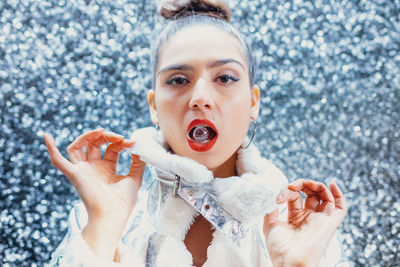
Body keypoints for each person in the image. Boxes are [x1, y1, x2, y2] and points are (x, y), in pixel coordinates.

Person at [44, 0, 348, 266]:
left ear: (253, 102)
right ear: (153, 106)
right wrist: (104, 224)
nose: (200, 97)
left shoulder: (302, 228)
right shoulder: (99, 214)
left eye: (225, 78)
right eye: (177, 80)